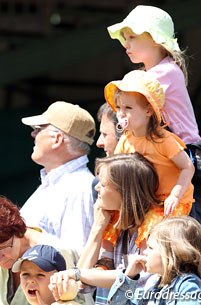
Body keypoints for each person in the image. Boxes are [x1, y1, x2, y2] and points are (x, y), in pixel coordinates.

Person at [49, 153, 166, 304]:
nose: (97, 187)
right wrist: (97, 228)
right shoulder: (116, 224)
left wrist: (77, 274)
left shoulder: (157, 229)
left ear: (124, 191)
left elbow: (141, 277)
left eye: (103, 184)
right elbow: (81, 283)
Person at [107, 5, 201, 145]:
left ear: (155, 39)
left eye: (132, 37)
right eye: (125, 38)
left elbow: (126, 102)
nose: (125, 44)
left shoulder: (166, 71)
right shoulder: (154, 73)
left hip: (185, 151)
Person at [105, 70, 195, 217]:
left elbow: (188, 167)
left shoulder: (164, 141)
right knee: (110, 228)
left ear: (148, 111)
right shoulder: (125, 140)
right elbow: (113, 172)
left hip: (171, 202)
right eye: (118, 107)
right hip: (145, 202)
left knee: (149, 236)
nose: (120, 113)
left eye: (128, 108)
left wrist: (175, 195)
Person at [20, 101, 96, 256]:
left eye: (38, 129)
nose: (33, 134)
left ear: (57, 139)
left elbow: (77, 258)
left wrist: (30, 237)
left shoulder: (79, 187)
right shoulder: (57, 183)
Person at [107, 216, 201, 304]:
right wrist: (128, 277)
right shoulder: (153, 284)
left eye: (150, 248)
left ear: (172, 253)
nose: (144, 252)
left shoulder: (187, 285)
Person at [0, 196, 79, 305]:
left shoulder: (56, 251)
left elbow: (81, 301)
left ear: (17, 233)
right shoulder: (8, 250)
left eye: (2, 248)